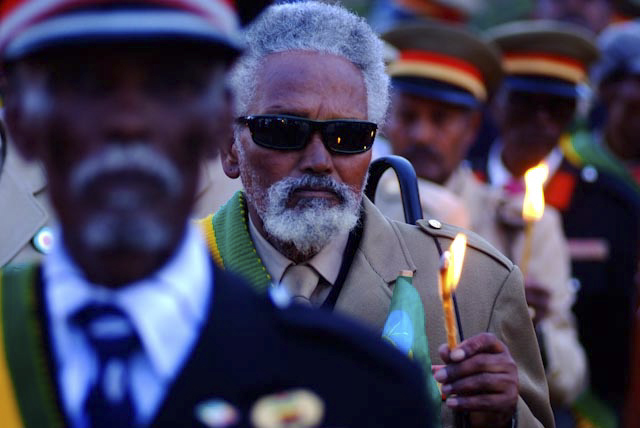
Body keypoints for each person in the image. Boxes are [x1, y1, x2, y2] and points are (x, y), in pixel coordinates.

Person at [0, 1, 434, 427]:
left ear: (217, 120)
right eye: (85, 83)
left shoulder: (365, 392)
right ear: (19, 120)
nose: (128, 122)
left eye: (169, 85)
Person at [202, 2, 555, 427]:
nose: (319, 159)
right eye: (283, 130)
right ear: (228, 148)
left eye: (347, 136)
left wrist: (503, 417)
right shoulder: (174, 276)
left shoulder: (474, 286)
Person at [376, 21, 588, 413]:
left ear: (473, 128)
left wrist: (530, 327)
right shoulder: (357, 211)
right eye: (408, 116)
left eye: (440, 119)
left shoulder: (526, 226)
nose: (422, 134)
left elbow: (570, 378)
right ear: (387, 119)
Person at [475, 19, 639, 424]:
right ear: (497, 103)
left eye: (558, 107)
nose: (542, 121)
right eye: (526, 103)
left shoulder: (611, 203)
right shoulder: (459, 189)